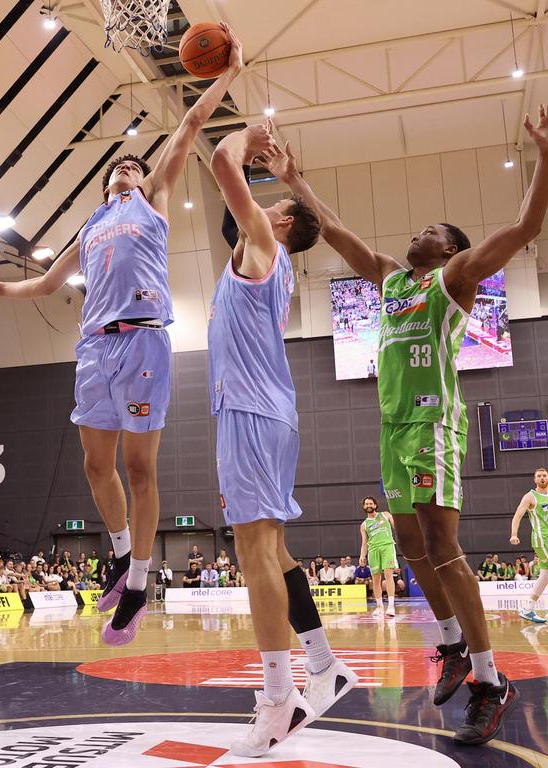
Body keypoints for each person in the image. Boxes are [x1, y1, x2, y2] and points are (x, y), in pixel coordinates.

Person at [264, 108, 548, 744]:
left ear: (449, 248)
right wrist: (295, 177)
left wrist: (544, 155)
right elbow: (334, 230)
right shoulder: (392, 279)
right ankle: (449, 642)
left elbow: (527, 225)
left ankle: (489, 679)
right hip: (391, 428)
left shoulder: (455, 279)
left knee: (443, 549)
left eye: (428, 230)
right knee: (411, 544)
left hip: (435, 427)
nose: (414, 235)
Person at [0, 26, 246, 647]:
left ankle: (141, 583)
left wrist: (225, 75)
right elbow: (44, 286)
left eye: (134, 164)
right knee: (97, 465)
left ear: (145, 181)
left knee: (139, 468)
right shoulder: (91, 227)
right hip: (94, 348)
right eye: (118, 164)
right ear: (104, 185)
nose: (127, 165)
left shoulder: (154, 201)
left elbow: (189, 128)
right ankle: (121, 555)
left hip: (143, 340)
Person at [208, 119, 355, 758]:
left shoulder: (263, 244)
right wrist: (289, 176)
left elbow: (219, 159)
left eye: (272, 204)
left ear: (285, 225)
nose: (259, 206)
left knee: (254, 555)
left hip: (251, 413)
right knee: (278, 552)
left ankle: (278, 698)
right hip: (268, 413)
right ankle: (323, 664)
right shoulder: (271, 262)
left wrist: (249, 137)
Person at [509, 468, 548, 623]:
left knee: (545, 576)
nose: (542, 478)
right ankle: (528, 608)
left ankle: (528, 608)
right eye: (539, 476)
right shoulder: (530, 496)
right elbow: (518, 515)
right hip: (542, 539)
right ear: (535, 479)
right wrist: (513, 534)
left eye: (544, 475)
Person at [359, 497, 399, 618]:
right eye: (366, 504)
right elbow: (364, 543)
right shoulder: (364, 525)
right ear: (364, 507)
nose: (368, 505)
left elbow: (396, 526)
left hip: (387, 546)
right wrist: (362, 555)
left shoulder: (385, 515)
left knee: (388, 575)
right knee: (375, 579)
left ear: (375, 505)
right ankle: (379, 606)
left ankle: (391, 606)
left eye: (371, 503)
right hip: (373, 550)